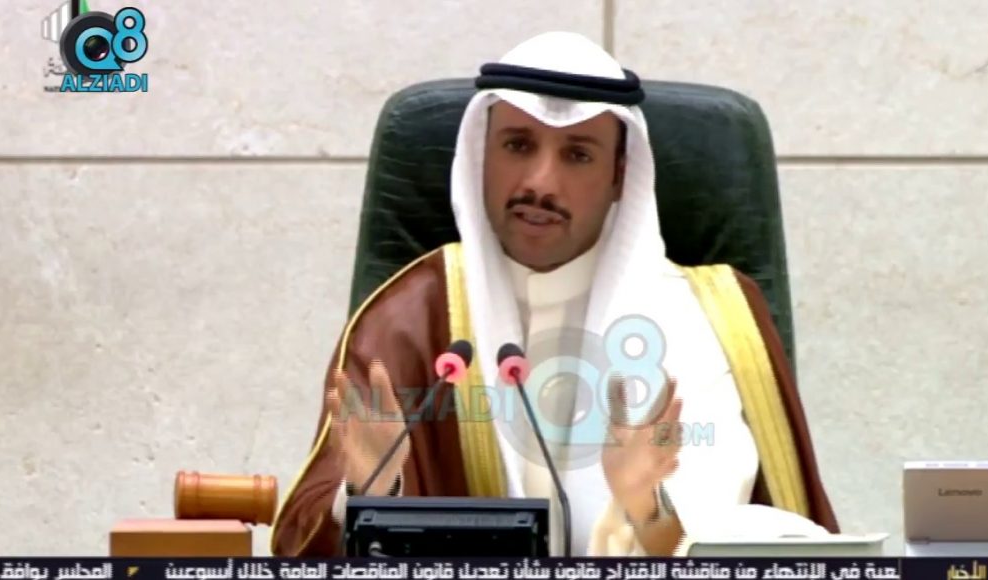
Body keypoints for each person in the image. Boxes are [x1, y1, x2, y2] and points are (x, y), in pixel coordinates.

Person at [271, 31, 838, 558]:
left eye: (577, 154)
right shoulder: (409, 319)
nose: (540, 182)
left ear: (620, 176)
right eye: (518, 145)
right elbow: (306, 534)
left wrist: (649, 511)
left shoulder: (705, 317)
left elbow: (728, 540)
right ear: (482, 155)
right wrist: (371, 493)